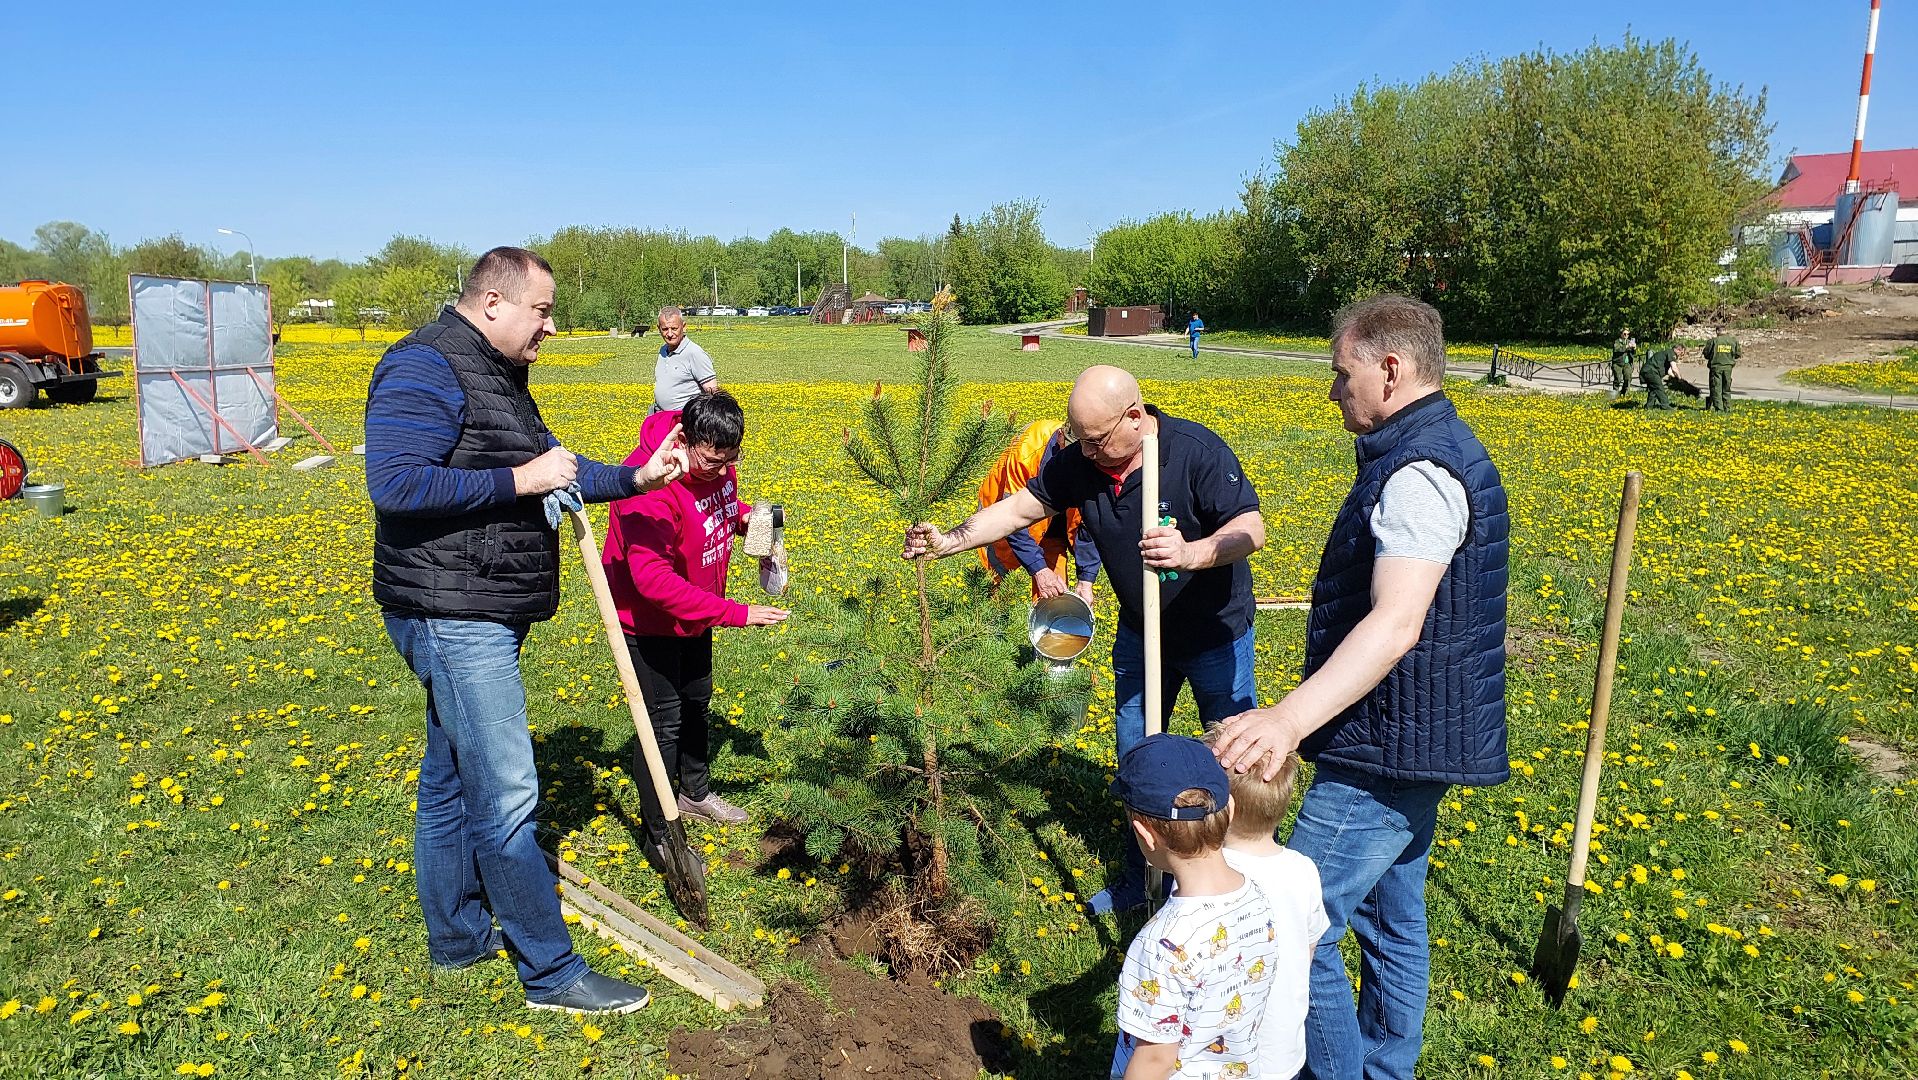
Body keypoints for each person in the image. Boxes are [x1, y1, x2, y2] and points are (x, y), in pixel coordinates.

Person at [366, 246, 691, 1015]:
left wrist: (636, 479)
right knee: (508, 795)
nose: (550, 326)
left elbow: (557, 467)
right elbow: (396, 481)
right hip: (453, 613)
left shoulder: (494, 373)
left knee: (450, 776)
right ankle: (551, 975)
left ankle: (457, 936)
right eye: (541, 311)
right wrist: (520, 481)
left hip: (474, 603)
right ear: (491, 304)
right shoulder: (424, 366)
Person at [1212, 295, 1509, 1080]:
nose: (1332, 390)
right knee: (1392, 917)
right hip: (1413, 731)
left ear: (1390, 367)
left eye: (1341, 374)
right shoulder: (1421, 449)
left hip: (1388, 743)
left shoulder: (1420, 471)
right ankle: (1385, 1068)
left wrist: (1285, 719)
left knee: (1294, 923)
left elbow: (1395, 624)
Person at [902, 364, 1266, 914]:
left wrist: (1192, 553)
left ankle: (1242, 882)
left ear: (1135, 418)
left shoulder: (1194, 451)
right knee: (1135, 752)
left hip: (1216, 631)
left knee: (1235, 755)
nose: (1089, 454)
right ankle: (1141, 877)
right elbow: (1022, 508)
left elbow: (1251, 529)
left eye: (1097, 442)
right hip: (1142, 630)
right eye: (1081, 442)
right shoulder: (1082, 462)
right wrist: (949, 540)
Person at [603, 390, 788, 837]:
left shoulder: (717, 463)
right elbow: (653, 582)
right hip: (649, 621)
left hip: (696, 612)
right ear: (682, 440)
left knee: (697, 702)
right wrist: (736, 613)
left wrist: (744, 518)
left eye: (732, 459)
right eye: (712, 461)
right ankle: (659, 828)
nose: (724, 470)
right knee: (663, 721)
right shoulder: (648, 488)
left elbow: (717, 506)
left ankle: (695, 794)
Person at [1109, 734, 1279, 1080]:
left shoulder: (1160, 945)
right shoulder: (1257, 898)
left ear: (1145, 835)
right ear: (1230, 810)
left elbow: (1156, 1060)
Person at [1202, 732, 1328, 1080]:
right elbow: (1309, 947)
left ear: (1222, 808)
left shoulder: (1210, 874)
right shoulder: (1303, 870)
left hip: (1221, 1051)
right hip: (1281, 1049)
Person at [976, 418, 1102, 604]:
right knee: (994, 583)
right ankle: (989, 624)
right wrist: (1038, 569)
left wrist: (1086, 578)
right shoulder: (1028, 449)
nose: (1074, 461)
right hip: (1004, 516)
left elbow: (1090, 520)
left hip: (1056, 527)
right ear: (1060, 435)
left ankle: (1047, 626)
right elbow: (1012, 517)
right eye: (1069, 451)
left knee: (1054, 597)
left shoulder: (1094, 453)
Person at [652, 306, 719, 415]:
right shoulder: (663, 350)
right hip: (661, 417)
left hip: (684, 421)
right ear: (658, 328)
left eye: (674, 328)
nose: (669, 334)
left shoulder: (695, 353)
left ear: (684, 327)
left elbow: (713, 392)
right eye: (665, 329)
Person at [1703, 332, 1740, 412]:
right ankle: (1727, 408)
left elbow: (1706, 354)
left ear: (1717, 331)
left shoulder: (1713, 341)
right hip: (1728, 367)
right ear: (1725, 331)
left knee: (1716, 388)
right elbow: (1737, 354)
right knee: (1726, 387)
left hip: (1716, 367)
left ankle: (1719, 409)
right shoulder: (1733, 341)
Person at [1640, 341, 1679, 411]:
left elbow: (1669, 371)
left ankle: (1648, 406)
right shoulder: (1671, 353)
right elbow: (1674, 368)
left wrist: (1675, 377)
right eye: (1681, 353)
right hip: (1651, 371)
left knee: (1653, 390)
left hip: (1647, 371)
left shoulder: (1665, 353)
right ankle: (1665, 406)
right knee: (1659, 388)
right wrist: (1680, 378)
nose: (1680, 355)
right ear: (1678, 349)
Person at [1609, 328, 1637, 398]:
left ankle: (1624, 393)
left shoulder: (1629, 341)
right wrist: (1627, 346)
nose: (1626, 335)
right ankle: (1615, 394)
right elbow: (1617, 349)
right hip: (1618, 363)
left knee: (1628, 378)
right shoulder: (1617, 342)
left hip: (1627, 363)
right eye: (1624, 334)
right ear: (1621, 334)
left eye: (1627, 334)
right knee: (1617, 379)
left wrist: (1634, 348)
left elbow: (1633, 354)